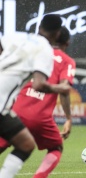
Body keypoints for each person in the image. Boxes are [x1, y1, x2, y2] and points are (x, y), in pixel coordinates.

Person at [0, 14, 71, 178]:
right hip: (2, 102)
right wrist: (60, 88)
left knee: (24, 143)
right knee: (26, 145)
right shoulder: (45, 49)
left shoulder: (18, 36)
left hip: (8, 106)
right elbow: (38, 84)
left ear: (39, 26)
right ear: (58, 33)